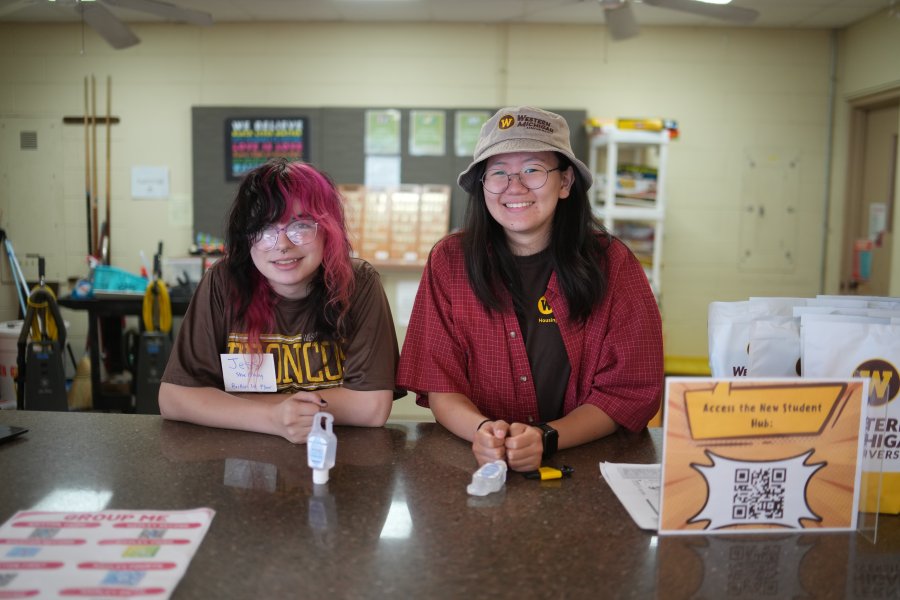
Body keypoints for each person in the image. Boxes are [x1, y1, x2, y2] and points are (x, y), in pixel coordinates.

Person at [397, 106, 663, 472]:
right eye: (499, 173)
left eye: (532, 170)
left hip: (585, 464)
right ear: (482, 185)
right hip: (479, 464)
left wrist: (547, 437)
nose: (514, 187)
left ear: (565, 182)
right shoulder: (450, 261)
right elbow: (441, 383)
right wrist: (484, 433)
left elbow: (627, 390)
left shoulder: (613, 263)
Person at [160, 159, 401, 443]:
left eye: (300, 226)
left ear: (328, 229)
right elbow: (174, 398)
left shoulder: (358, 283)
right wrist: (273, 419)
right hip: (240, 458)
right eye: (264, 230)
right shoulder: (223, 282)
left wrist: (233, 406)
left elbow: (371, 407)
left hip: (333, 458)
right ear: (246, 237)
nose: (283, 244)